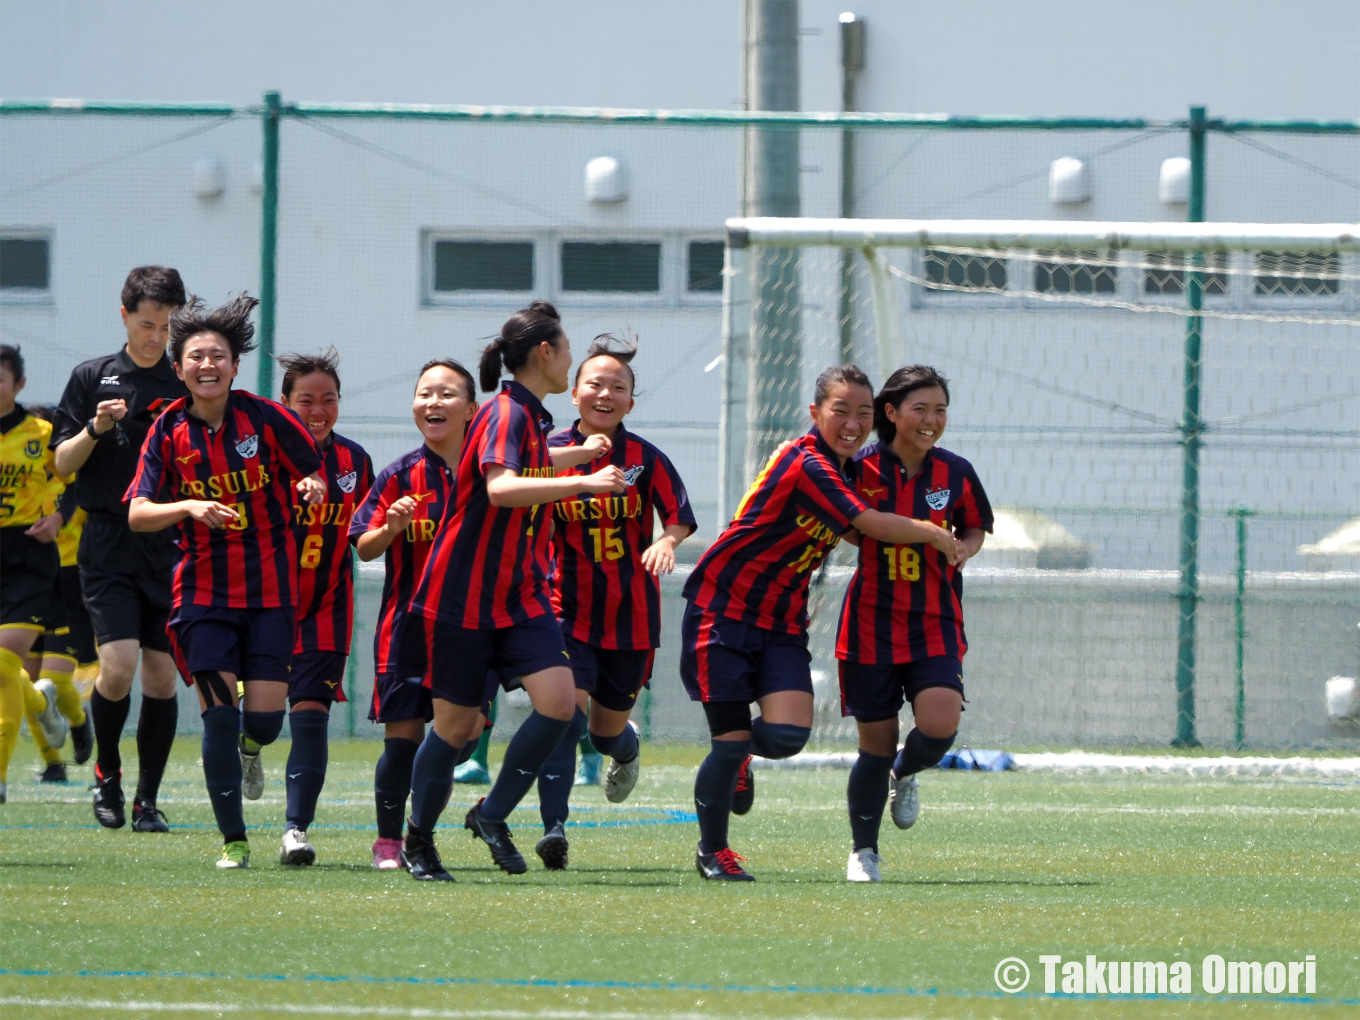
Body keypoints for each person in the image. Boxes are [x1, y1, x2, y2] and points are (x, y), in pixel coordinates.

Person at [679, 364, 965, 881]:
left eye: (862, 413)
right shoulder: (807, 461)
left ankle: (740, 758)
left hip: (782, 619)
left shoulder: (848, 470)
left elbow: (861, 531)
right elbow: (868, 523)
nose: (853, 424)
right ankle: (712, 851)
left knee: (787, 735)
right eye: (841, 411)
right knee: (730, 737)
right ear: (816, 413)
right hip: (724, 609)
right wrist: (931, 531)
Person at [398, 301, 624, 881]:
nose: (571, 361)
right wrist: (583, 482)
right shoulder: (505, 410)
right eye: (567, 350)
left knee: (560, 706)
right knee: (456, 730)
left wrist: (576, 455)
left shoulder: (527, 415)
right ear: (545, 353)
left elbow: (530, 461)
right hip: (463, 594)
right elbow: (501, 487)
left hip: (519, 594)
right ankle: (418, 838)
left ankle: (491, 814)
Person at [126, 294, 324, 869]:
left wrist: (311, 485)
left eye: (217, 355)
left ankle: (251, 746)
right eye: (195, 356)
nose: (207, 364)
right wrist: (188, 505)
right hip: (202, 594)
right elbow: (138, 513)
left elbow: (312, 470)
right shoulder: (166, 429)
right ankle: (234, 841)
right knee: (218, 715)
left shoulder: (266, 417)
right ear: (178, 367)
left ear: (235, 366)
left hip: (271, 589)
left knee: (263, 720)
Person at [534, 334, 696, 868]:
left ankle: (626, 747)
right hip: (564, 610)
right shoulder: (550, 453)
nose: (605, 394)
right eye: (595, 384)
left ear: (630, 401)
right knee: (563, 717)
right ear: (574, 392)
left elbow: (679, 517)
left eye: (618, 387)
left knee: (603, 733)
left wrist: (666, 541)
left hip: (630, 618)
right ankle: (554, 828)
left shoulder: (646, 458)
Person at [837, 365, 991, 883]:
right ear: (892, 412)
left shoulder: (956, 471)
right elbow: (847, 523)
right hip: (870, 625)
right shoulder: (858, 467)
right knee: (873, 747)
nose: (931, 420)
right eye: (920, 409)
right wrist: (907, 535)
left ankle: (904, 771)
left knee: (941, 723)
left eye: (940, 410)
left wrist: (964, 549)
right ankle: (864, 853)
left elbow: (975, 526)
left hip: (935, 621)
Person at [50, 266, 188, 831]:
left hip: (171, 544)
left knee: (161, 677)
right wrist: (95, 429)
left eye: (167, 327)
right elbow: (62, 464)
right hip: (107, 542)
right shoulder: (93, 377)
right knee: (119, 666)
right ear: (125, 315)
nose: (157, 337)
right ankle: (107, 775)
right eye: (148, 324)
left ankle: (147, 801)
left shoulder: (186, 383)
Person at [350, 357, 481, 870]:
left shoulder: (490, 475)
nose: (433, 402)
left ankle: (418, 831)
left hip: (471, 629)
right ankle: (390, 842)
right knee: (402, 742)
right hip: (406, 629)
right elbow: (363, 546)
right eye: (425, 393)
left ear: (471, 409)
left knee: (460, 737)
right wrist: (390, 528)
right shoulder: (399, 475)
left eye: (446, 394)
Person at [261, 349, 374, 866]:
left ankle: (295, 830)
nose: (318, 410)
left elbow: (366, 533)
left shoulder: (355, 462)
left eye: (328, 399)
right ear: (284, 402)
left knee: (310, 716)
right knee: (261, 723)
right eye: (305, 400)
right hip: (263, 605)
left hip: (326, 606)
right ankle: (249, 745)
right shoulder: (262, 459)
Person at [0, 347, 73, 802]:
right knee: (8, 672)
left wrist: (59, 518)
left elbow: (78, 481)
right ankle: (42, 702)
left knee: (3, 664)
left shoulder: (42, 434)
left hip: (27, 557)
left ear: (19, 385)